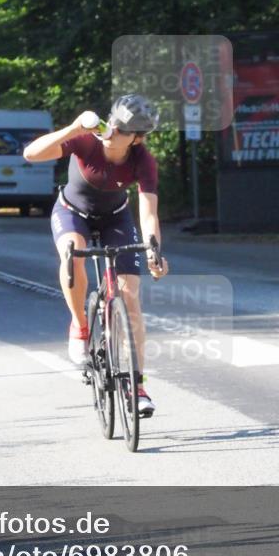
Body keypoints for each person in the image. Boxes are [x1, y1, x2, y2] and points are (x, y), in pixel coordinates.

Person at [24, 94, 169, 417]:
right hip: (71, 212)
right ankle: (80, 326)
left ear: (137, 138)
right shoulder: (86, 142)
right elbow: (31, 154)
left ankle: (137, 385)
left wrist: (153, 251)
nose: (113, 129)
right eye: (113, 121)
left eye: (123, 129)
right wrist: (74, 128)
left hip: (116, 217)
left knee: (130, 295)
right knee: (73, 255)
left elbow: (148, 214)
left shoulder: (143, 160)